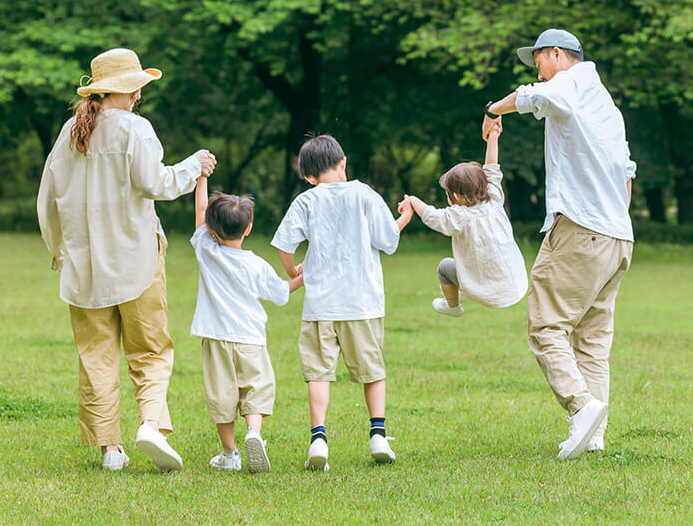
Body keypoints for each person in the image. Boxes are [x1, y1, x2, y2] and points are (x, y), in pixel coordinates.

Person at [37, 47, 216, 472]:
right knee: (151, 351)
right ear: (132, 88)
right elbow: (155, 183)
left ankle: (110, 450)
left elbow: (47, 200)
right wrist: (194, 166)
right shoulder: (136, 129)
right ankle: (150, 425)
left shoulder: (70, 132)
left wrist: (57, 249)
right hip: (137, 261)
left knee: (96, 356)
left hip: (83, 269)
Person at [483, 29, 636, 460]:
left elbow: (538, 98)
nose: (538, 72)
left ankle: (582, 407)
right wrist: (613, 218)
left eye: (539, 63)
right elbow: (627, 174)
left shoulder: (571, 82)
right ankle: (596, 432)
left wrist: (493, 110)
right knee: (592, 339)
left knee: (546, 325)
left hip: (580, 230)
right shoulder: (608, 105)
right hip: (618, 237)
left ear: (555, 54)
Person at [270, 134, 413, 471]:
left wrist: (293, 270)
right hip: (362, 302)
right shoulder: (365, 194)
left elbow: (284, 245)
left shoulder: (306, 201)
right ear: (343, 162)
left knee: (318, 373)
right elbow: (388, 241)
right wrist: (405, 215)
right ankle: (377, 433)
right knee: (372, 371)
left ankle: (318, 438)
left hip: (320, 304)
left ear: (307, 175)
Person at [191, 174, 304, 474]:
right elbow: (282, 293)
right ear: (249, 228)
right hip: (251, 339)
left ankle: (230, 454)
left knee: (222, 396)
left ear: (211, 229)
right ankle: (254, 432)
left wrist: (202, 177)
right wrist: (302, 276)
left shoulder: (206, 250)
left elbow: (201, 211)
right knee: (255, 389)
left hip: (216, 338)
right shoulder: (256, 265)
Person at [398, 116, 528, 317]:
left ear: (456, 196)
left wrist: (413, 200)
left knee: (444, 268)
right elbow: (492, 167)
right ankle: (457, 298)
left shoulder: (459, 217)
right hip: (515, 285)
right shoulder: (494, 198)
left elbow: (433, 217)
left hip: (485, 290)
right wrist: (493, 136)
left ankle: (453, 307)